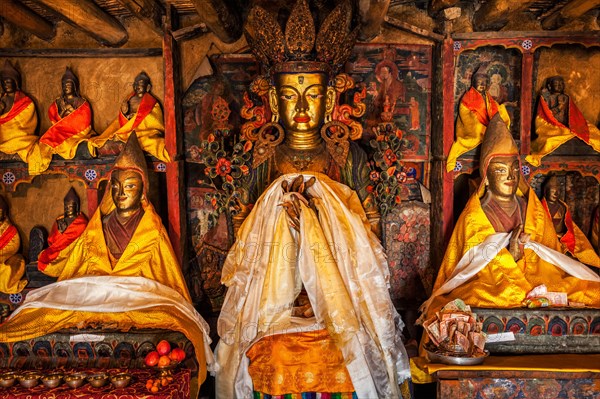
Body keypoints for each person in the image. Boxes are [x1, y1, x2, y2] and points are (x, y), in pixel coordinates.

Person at [215, 1, 411, 398]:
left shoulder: (345, 155)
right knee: (266, 345)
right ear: (273, 101)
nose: (302, 107)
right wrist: (263, 218)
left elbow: (366, 234)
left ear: (331, 98)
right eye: (290, 96)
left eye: (312, 95)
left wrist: (339, 221)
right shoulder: (263, 156)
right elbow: (247, 236)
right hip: (276, 293)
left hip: (337, 287)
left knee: (351, 345)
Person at [0, 133, 213, 388]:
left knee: (175, 327)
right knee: (33, 315)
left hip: (138, 298)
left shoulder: (152, 230)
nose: (121, 193)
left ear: (143, 189)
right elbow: (74, 275)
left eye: (130, 186)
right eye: (116, 186)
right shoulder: (97, 227)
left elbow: (168, 284)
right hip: (93, 295)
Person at [420, 114, 600, 324]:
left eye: (515, 169)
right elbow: (466, 270)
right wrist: (509, 257)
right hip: (494, 283)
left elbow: (553, 256)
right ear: (486, 177)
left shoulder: (532, 209)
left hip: (538, 279)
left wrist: (527, 256)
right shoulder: (474, 217)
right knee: (470, 299)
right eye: (501, 170)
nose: (510, 176)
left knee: (585, 291)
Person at [446, 69, 514, 172]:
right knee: (479, 129)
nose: (482, 84)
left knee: (501, 126)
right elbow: (464, 112)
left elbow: (495, 109)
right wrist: (475, 119)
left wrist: (503, 107)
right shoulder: (469, 96)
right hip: (473, 126)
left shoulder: (488, 97)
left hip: (488, 125)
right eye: (479, 82)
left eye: (485, 82)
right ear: (474, 83)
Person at [92, 72, 170, 162]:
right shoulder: (130, 99)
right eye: (136, 84)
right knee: (106, 143)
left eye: (140, 84)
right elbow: (122, 122)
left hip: (144, 133)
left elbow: (155, 122)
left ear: (148, 87)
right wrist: (124, 114)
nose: (137, 86)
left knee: (148, 142)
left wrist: (136, 118)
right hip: (128, 131)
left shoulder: (152, 103)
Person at [526, 76, 600, 166]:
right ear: (550, 86)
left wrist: (574, 127)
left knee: (590, 138)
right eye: (556, 84)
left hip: (567, 129)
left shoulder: (566, 98)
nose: (559, 86)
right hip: (552, 128)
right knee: (549, 142)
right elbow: (545, 115)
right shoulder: (547, 98)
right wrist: (559, 107)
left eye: (561, 84)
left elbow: (574, 115)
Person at [38, 67, 95, 169]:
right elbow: (54, 117)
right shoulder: (58, 102)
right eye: (64, 85)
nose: (66, 87)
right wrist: (64, 111)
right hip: (60, 131)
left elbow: (85, 120)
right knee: (45, 141)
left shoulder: (81, 102)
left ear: (75, 86)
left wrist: (72, 111)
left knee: (71, 145)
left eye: (69, 85)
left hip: (76, 133)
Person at [541, 175, 600, 267]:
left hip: (562, 238)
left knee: (576, 257)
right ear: (545, 191)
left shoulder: (563, 206)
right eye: (552, 191)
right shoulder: (540, 207)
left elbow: (568, 226)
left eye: (558, 191)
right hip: (546, 240)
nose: (555, 194)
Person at [0, 61, 45, 175]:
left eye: (9, 82)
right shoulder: (1, 99)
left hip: (20, 136)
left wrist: (14, 125)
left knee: (26, 142)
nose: (6, 85)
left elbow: (27, 120)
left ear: (16, 83)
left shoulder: (25, 101)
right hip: (3, 136)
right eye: (4, 82)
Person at [37, 187, 89, 271]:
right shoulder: (60, 220)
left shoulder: (82, 223)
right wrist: (60, 232)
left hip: (75, 254)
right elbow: (52, 241)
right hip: (59, 252)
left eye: (70, 206)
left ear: (77, 207)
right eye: (66, 206)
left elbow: (83, 243)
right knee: (44, 259)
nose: (67, 208)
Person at [0, 195, 27, 294]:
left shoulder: (9, 229)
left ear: (4, 213)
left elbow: (13, 246)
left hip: (7, 259)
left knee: (7, 270)